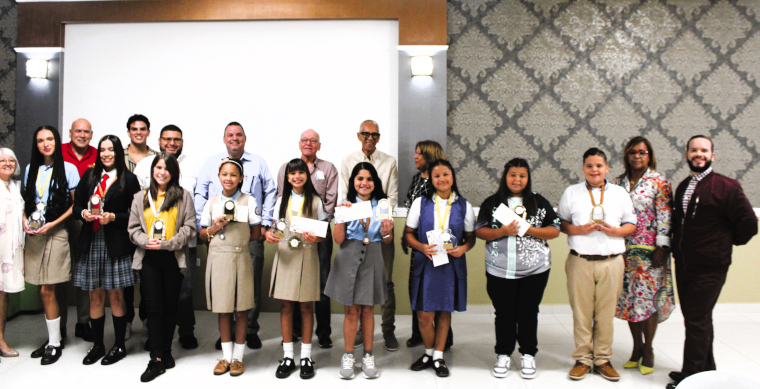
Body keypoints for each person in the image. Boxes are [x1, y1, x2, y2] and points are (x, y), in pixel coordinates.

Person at [666, 135, 758, 389]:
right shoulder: (684, 186)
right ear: (687, 155)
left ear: (712, 156)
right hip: (684, 264)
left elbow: (749, 224)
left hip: (710, 268)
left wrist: (722, 245)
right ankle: (705, 369)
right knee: (697, 318)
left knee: (697, 319)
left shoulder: (727, 186)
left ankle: (692, 376)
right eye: (694, 150)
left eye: (704, 150)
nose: (699, 154)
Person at [475, 158, 560, 379]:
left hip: (535, 270)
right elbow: (480, 231)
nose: (517, 179)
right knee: (504, 314)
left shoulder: (538, 202)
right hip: (499, 270)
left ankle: (528, 354)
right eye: (512, 175)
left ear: (528, 178)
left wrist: (530, 229)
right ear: (505, 176)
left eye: (522, 175)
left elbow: (555, 230)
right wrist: (501, 232)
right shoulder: (492, 203)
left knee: (528, 313)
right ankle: (503, 353)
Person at [557, 147, 637, 382]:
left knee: (604, 314)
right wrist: (578, 229)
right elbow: (561, 223)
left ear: (607, 169)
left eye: (599, 166)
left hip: (611, 262)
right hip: (579, 261)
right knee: (581, 313)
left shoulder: (620, 193)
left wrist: (616, 232)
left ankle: (602, 359)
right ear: (583, 168)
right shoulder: (571, 192)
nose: (594, 170)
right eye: (589, 166)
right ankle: (583, 359)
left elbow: (631, 224)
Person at [195, 121, 276, 349]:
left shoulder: (258, 163)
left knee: (250, 285)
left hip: (249, 234)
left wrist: (265, 224)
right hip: (219, 236)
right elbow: (200, 192)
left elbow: (270, 191)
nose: (234, 138)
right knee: (224, 285)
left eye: (238, 135)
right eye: (230, 135)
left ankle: (249, 330)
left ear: (245, 138)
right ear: (224, 139)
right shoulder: (211, 163)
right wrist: (207, 222)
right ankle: (227, 335)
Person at [128, 152, 196, 382]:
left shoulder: (183, 196)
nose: (161, 172)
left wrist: (169, 244)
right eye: (158, 167)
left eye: (166, 168)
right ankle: (156, 358)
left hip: (172, 257)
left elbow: (190, 227)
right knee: (154, 309)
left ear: (173, 172)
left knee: (170, 308)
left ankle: (166, 350)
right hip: (148, 258)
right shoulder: (140, 197)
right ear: (152, 170)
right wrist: (146, 241)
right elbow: (133, 229)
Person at [73, 135, 141, 365]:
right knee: (95, 295)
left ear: (118, 152)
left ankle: (119, 345)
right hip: (91, 240)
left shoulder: (128, 180)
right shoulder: (90, 176)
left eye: (110, 150)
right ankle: (98, 345)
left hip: (116, 243)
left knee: (116, 295)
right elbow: (77, 206)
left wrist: (113, 217)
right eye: (102, 150)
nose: (106, 154)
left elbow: (134, 215)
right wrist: (83, 214)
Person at [405, 159, 475, 378]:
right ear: (432, 180)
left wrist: (463, 248)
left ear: (452, 177)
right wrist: (421, 247)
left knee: (444, 311)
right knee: (424, 315)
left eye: (446, 174)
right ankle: (427, 352)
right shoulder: (421, 203)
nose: (442, 179)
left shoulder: (464, 205)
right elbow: (408, 234)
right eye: (437, 176)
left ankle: (437, 356)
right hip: (427, 264)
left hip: (450, 265)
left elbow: (470, 238)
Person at [612, 137, 675, 376]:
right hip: (623, 250)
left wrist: (662, 247)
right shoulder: (617, 183)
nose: (636, 156)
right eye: (632, 152)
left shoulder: (658, 182)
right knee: (630, 300)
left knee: (647, 302)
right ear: (626, 155)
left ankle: (648, 349)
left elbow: (665, 216)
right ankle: (636, 348)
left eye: (642, 152)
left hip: (650, 253)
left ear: (649, 156)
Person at [134, 124, 200, 349]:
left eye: (177, 139)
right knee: (152, 294)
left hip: (181, 243)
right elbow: (140, 208)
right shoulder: (144, 165)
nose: (172, 143)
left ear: (182, 142)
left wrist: (176, 240)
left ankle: (185, 332)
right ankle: (153, 335)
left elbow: (195, 208)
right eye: (167, 139)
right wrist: (146, 239)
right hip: (150, 246)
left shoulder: (193, 166)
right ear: (159, 140)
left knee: (183, 290)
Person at [325, 162, 393, 380]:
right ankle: (347, 355)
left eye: (369, 179)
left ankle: (368, 355)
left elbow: (387, 239)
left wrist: (387, 232)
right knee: (351, 310)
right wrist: (340, 216)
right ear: (353, 182)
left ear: (375, 183)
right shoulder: (346, 205)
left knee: (368, 310)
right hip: (348, 256)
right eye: (360, 179)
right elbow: (338, 239)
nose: (364, 183)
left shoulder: (382, 205)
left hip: (373, 257)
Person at [339, 119, 399, 351]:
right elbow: (345, 194)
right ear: (358, 135)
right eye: (365, 134)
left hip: (381, 227)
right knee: (356, 279)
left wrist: (378, 218)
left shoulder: (389, 162)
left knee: (385, 280)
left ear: (379, 138)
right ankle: (361, 332)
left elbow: (391, 197)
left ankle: (387, 330)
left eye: (374, 135)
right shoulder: (348, 161)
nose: (369, 138)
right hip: (354, 230)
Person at [23, 125, 81, 365]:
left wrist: (53, 223)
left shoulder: (68, 168)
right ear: (36, 145)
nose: (45, 144)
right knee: (42, 289)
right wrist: (26, 222)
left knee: (49, 289)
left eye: (49, 139)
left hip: (57, 232)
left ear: (57, 141)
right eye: (40, 140)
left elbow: (74, 206)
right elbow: (26, 200)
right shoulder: (30, 169)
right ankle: (53, 339)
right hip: (35, 233)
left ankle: (55, 344)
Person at [276, 129, 338, 349]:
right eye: (305, 140)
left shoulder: (328, 168)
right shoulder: (286, 168)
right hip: (291, 235)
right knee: (293, 282)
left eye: (313, 141)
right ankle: (294, 331)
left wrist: (315, 227)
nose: (308, 143)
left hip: (317, 232)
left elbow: (330, 200)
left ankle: (323, 332)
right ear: (299, 144)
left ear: (319, 145)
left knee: (320, 281)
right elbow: (281, 198)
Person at [200, 158, 262, 377]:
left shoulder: (249, 200)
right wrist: (214, 228)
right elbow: (202, 234)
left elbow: (255, 232)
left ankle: (238, 358)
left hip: (241, 256)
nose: (229, 178)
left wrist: (240, 242)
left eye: (234, 175)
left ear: (241, 178)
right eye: (224, 174)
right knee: (223, 309)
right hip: (219, 258)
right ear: (219, 177)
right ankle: (226, 356)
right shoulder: (212, 202)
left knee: (242, 309)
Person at [269, 158, 327, 379]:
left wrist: (316, 237)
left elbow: (323, 233)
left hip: (307, 255)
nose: (296, 177)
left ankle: (305, 356)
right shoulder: (281, 201)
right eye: (292, 173)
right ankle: (287, 356)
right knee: (285, 306)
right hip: (285, 255)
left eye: (301, 172)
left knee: (305, 307)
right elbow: (275, 228)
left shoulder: (315, 200)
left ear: (307, 175)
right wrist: (271, 235)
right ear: (287, 177)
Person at [402, 140, 448, 349]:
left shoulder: (441, 180)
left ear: (429, 156)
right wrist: (406, 235)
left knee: (436, 291)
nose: (415, 157)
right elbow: (410, 208)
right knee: (417, 288)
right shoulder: (416, 179)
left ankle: (443, 338)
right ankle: (418, 332)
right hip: (417, 243)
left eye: (419, 154)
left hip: (436, 244)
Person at [62, 118, 97, 342]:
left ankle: (83, 322)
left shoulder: (98, 154)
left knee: (84, 270)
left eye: (86, 132)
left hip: (86, 220)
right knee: (61, 273)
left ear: (91, 134)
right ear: (70, 132)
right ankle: (59, 326)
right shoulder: (59, 152)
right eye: (78, 131)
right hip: (60, 220)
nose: (82, 135)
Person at [123, 114, 157, 339]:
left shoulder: (157, 158)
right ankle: (125, 321)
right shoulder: (118, 156)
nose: (138, 132)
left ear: (148, 131)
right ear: (128, 132)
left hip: (152, 226)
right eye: (134, 129)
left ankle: (147, 319)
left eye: (142, 129)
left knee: (148, 278)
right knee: (126, 278)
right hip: (124, 224)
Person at [0, 148, 24, 361]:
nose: (7, 163)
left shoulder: (14, 187)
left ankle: (1, 340)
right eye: (1, 160)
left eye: (10, 160)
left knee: (2, 294)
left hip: (8, 250)